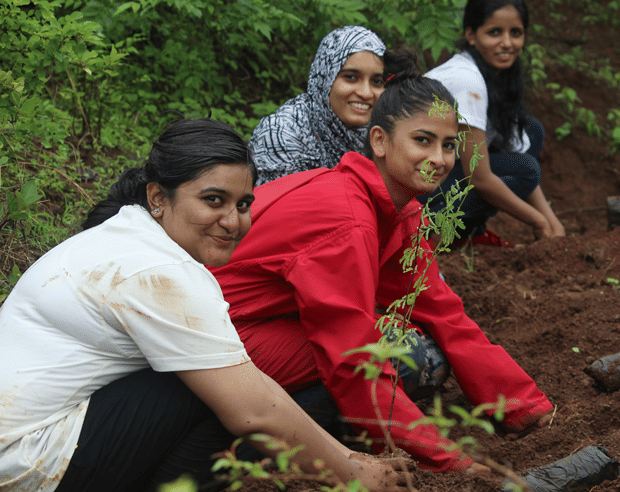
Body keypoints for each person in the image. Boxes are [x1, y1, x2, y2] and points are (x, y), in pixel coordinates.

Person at [0, 118, 409, 492]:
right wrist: (354, 475)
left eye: (243, 204)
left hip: (27, 443)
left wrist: (349, 456)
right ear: (158, 197)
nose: (233, 221)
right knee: (220, 393)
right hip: (30, 464)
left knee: (223, 374)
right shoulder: (160, 271)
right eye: (214, 200)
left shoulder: (127, 234)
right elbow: (254, 413)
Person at [212, 56, 555, 473]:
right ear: (379, 141)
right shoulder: (347, 217)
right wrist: (452, 464)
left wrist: (527, 407)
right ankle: (278, 452)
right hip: (219, 334)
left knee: (406, 340)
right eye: (423, 140)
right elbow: (355, 359)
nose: (440, 158)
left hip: (260, 321)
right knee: (390, 352)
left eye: (449, 145)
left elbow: (444, 313)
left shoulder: (397, 211)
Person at [423, 0, 565, 247]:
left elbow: (515, 151)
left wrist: (555, 227)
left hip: (444, 172)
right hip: (416, 188)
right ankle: (435, 235)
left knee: (530, 132)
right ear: (471, 35)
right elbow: (478, 177)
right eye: (494, 33)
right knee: (525, 171)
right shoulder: (467, 80)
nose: (507, 43)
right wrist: (539, 222)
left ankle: (466, 229)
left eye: (516, 33)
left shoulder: (498, 77)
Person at [249, 25, 387, 185]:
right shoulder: (283, 135)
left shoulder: (381, 135)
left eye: (377, 81)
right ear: (324, 78)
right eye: (350, 77)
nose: (366, 93)